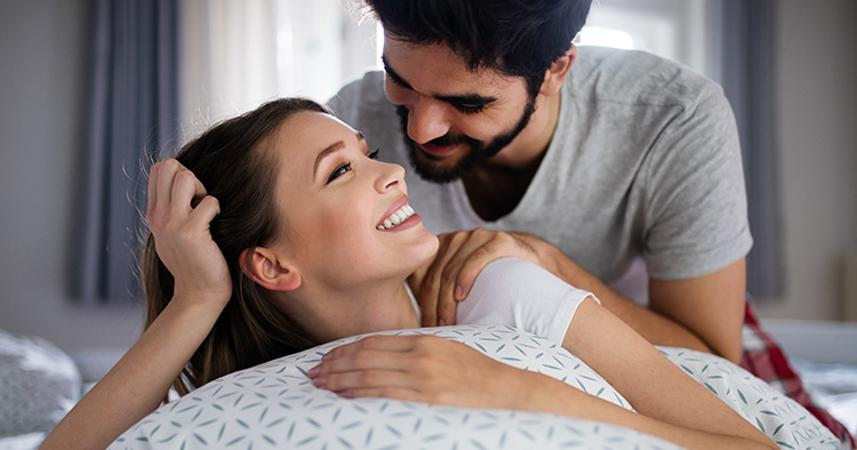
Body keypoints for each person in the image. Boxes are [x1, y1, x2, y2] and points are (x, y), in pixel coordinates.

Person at [42, 99, 777, 450]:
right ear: (271, 264)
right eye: (341, 172)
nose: (393, 170)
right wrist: (197, 298)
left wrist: (520, 392)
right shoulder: (258, 396)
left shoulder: (491, 289)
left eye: (365, 153)